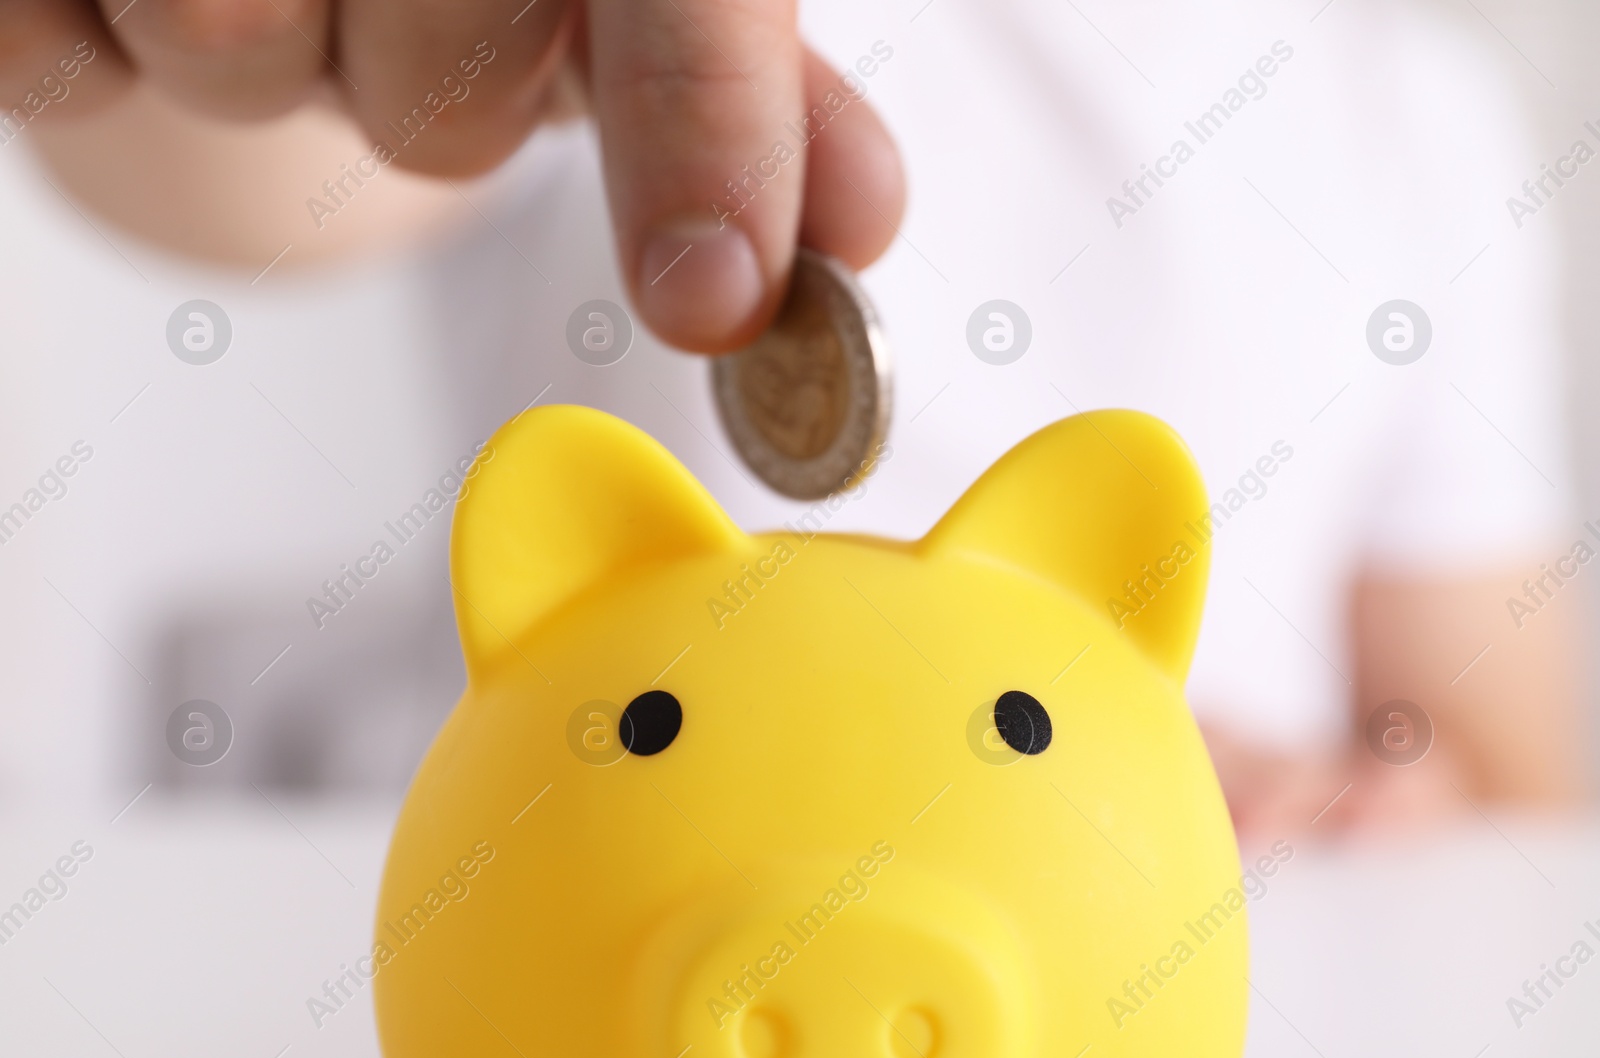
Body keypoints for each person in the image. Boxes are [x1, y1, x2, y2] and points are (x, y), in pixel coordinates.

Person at [0, 0, 1585, 839]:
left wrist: (1379, 792)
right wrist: (232, 51)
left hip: (1163, 940)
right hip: (607, 921)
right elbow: (229, 170)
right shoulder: (633, 36)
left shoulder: (1412, 109)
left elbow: (1510, 768)